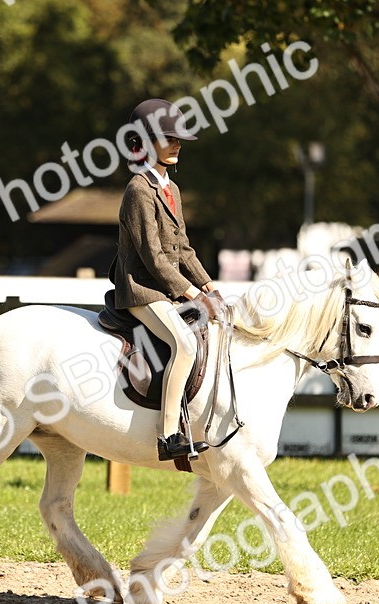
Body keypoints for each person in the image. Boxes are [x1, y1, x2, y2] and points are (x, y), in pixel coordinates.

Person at [109, 99, 222, 461]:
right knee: (185, 345)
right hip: (142, 291)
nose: (177, 145)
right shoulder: (139, 190)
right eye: (168, 138)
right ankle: (168, 435)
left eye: (178, 139)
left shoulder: (170, 189)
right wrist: (190, 292)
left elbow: (184, 248)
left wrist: (210, 288)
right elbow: (153, 258)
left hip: (166, 289)